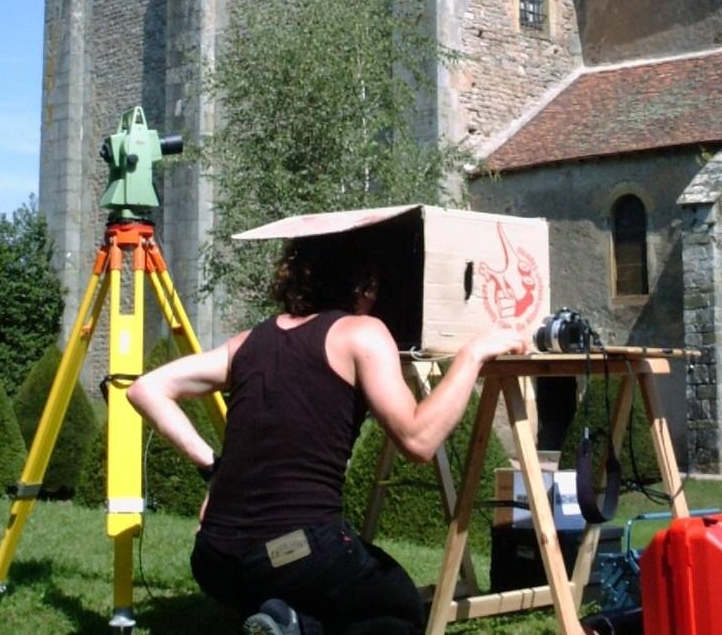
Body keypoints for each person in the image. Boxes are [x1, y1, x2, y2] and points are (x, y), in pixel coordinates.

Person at [127, 234, 527, 635]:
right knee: (398, 606)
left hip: (214, 561)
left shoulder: (249, 341)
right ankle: (299, 627)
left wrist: (214, 468)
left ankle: (286, 620)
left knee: (315, 583)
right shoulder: (361, 333)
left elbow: (145, 389)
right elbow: (419, 440)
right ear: (363, 284)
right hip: (298, 552)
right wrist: (473, 354)